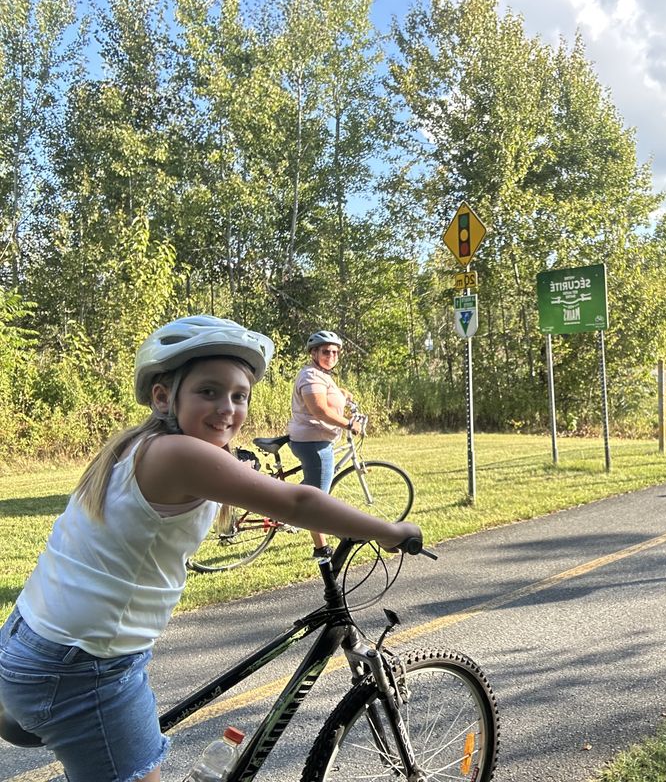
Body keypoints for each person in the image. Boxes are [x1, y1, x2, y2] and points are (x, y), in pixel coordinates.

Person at [0, 315, 421, 782]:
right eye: (208, 391)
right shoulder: (178, 454)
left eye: (239, 396)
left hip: (33, 638)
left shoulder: (137, 444)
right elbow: (298, 502)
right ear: (164, 396)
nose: (227, 407)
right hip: (83, 666)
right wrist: (388, 530)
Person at [287, 330, 362, 559]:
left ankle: (291, 511)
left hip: (315, 440)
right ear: (313, 353)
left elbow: (325, 394)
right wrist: (349, 424)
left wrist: (342, 394)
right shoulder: (311, 375)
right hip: (314, 444)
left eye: (335, 352)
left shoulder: (320, 374)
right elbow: (319, 410)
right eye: (326, 352)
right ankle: (321, 548)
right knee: (318, 500)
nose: (331, 356)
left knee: (312, 489)